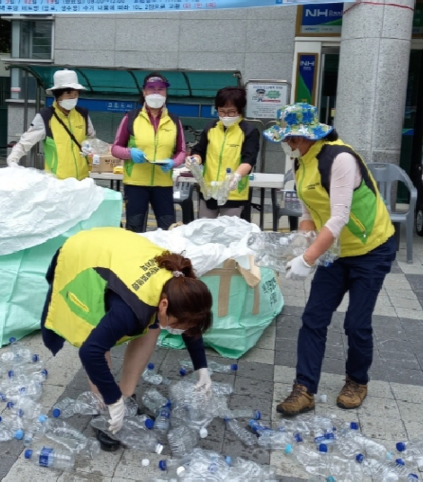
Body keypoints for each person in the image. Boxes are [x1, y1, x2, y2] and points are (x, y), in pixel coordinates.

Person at [263, 103, 396, 416]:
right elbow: (310, 213)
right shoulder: (302, 163)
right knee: (314, 318)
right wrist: (301, 246)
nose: (289, 145)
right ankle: (304, 389)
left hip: (371, 249)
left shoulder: (340, 159)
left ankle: (357, 381)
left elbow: (337, 218)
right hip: (335, 252)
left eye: (294, 139)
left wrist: (308, 259)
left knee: (356, 323)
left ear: (309, 135)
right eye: (287, 140)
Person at [41, 227, 213, 448]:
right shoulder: (129, 310)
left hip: (116, 250)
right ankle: (104, 409)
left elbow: (190, 320)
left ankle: (127, 395)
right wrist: (112, 400)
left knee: (152, 324)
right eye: (178, 325)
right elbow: (90, 352)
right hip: (83, 255)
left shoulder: (181, 284)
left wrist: (202, 368)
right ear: (164, 304)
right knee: (94, 335)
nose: (179, 331)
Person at [111, 73, 186, 232]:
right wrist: (130, 153)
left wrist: (174, 162)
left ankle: (164, 257)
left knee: (168, 229)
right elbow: (116, 148)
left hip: (163, 184)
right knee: (134, 228)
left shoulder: (173, 120)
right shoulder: (131, 117)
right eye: (151, 89)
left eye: (160, 89)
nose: (156, 93)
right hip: (135, 184)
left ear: (166, 93)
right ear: (144, 92)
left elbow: (181, 151)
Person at [7, 69, 96, 180]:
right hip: (56, 182)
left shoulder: (83, 114)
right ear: (58, 95)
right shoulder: (45, 117)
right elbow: (25, 142)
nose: (73, 98)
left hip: (82, 180)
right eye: (68, 93)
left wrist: (89, 146)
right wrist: (13, 159)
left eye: (76, 94)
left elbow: (92, 138)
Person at [187, 87, 260, 218]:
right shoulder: (211, 127)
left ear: (240, 109)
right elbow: (200, 150)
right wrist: (194, 160)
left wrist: (236, 176)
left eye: (231, 112)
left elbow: (249, 159)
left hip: (233, 191)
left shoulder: (248, 131)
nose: (226, 116)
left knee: (230, 234)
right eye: (222, 112)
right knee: (206, 232)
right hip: (209, 190)